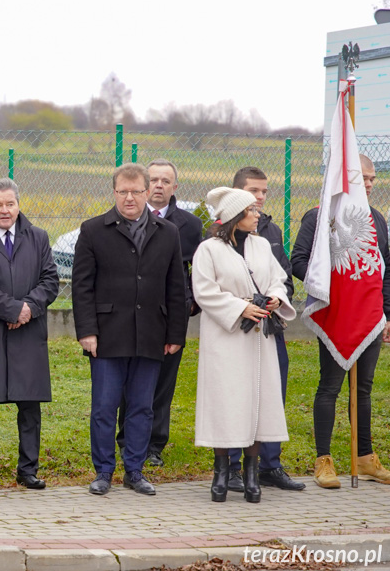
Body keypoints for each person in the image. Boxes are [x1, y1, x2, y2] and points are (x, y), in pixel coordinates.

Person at [72, 163, 186, 497]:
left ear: (148, 192)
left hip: (151, 333)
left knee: (141, 406)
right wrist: (86, 331)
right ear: (114, 193)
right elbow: (82, 286)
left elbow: (175, 287)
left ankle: (134, 471)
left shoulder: (168, 233)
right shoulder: (93, 230)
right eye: (123, 191)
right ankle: (104, 471)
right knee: (105, 406)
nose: (130, 198)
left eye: (136, 191)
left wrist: (175, 334)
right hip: (107, 333)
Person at [291, 154, 390, 488]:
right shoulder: (320, 217)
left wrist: (386, 312)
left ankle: (364, 457)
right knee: (330, 387)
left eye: (372, 178)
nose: (369, 184)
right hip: (337, 316)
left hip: (371, 317)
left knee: (363, 388)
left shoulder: (376, 219)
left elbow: (383, 270)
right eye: (361, 177)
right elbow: (299, 260)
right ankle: (324, 460)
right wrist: (331, 291)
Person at [192, 187, 294, 503]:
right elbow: (204, 291)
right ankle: (222, 471)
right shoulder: (208, 250)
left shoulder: (262, 245)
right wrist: (240, 308)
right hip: (226, 337)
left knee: (258, 401)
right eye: (250, 210)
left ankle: (252, 472)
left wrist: (277, 297)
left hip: (259, 336)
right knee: (225, 401)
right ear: (235, 217)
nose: (257, 214)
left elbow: (277, 278)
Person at [0, 178, 59, 493]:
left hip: (29, 334)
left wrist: (29, 308)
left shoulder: (39, 237)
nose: (5, 211)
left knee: (29, 405)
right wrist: (12, 309)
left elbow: (50, 280)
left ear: (18, 204)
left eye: (10, 204)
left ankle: (28, 470)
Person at [115, 159, 202, 467]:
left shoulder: (190, 226)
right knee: (129, 380)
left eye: (166, 181)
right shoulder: (123, 219)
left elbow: (196, 270)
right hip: (131, 316)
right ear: (143, 184)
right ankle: (127, 440)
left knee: (163, 382)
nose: (159, 185)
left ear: (174, 187)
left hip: (169, 315)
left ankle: (154, 444)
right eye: (154, 180)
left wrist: (191, 302)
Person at [227, 167, 303, 493]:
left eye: (264, 192)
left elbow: (285, 278)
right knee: (234, 398)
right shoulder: (219, 237)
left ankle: (270, 465)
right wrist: (245, 304)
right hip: (236, 333)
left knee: (272, 396)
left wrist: (276, 298)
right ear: (237, 194)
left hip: (270, 331)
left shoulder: (271, 231)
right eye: (253, 191)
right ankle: (230, 466)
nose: (260, 197)